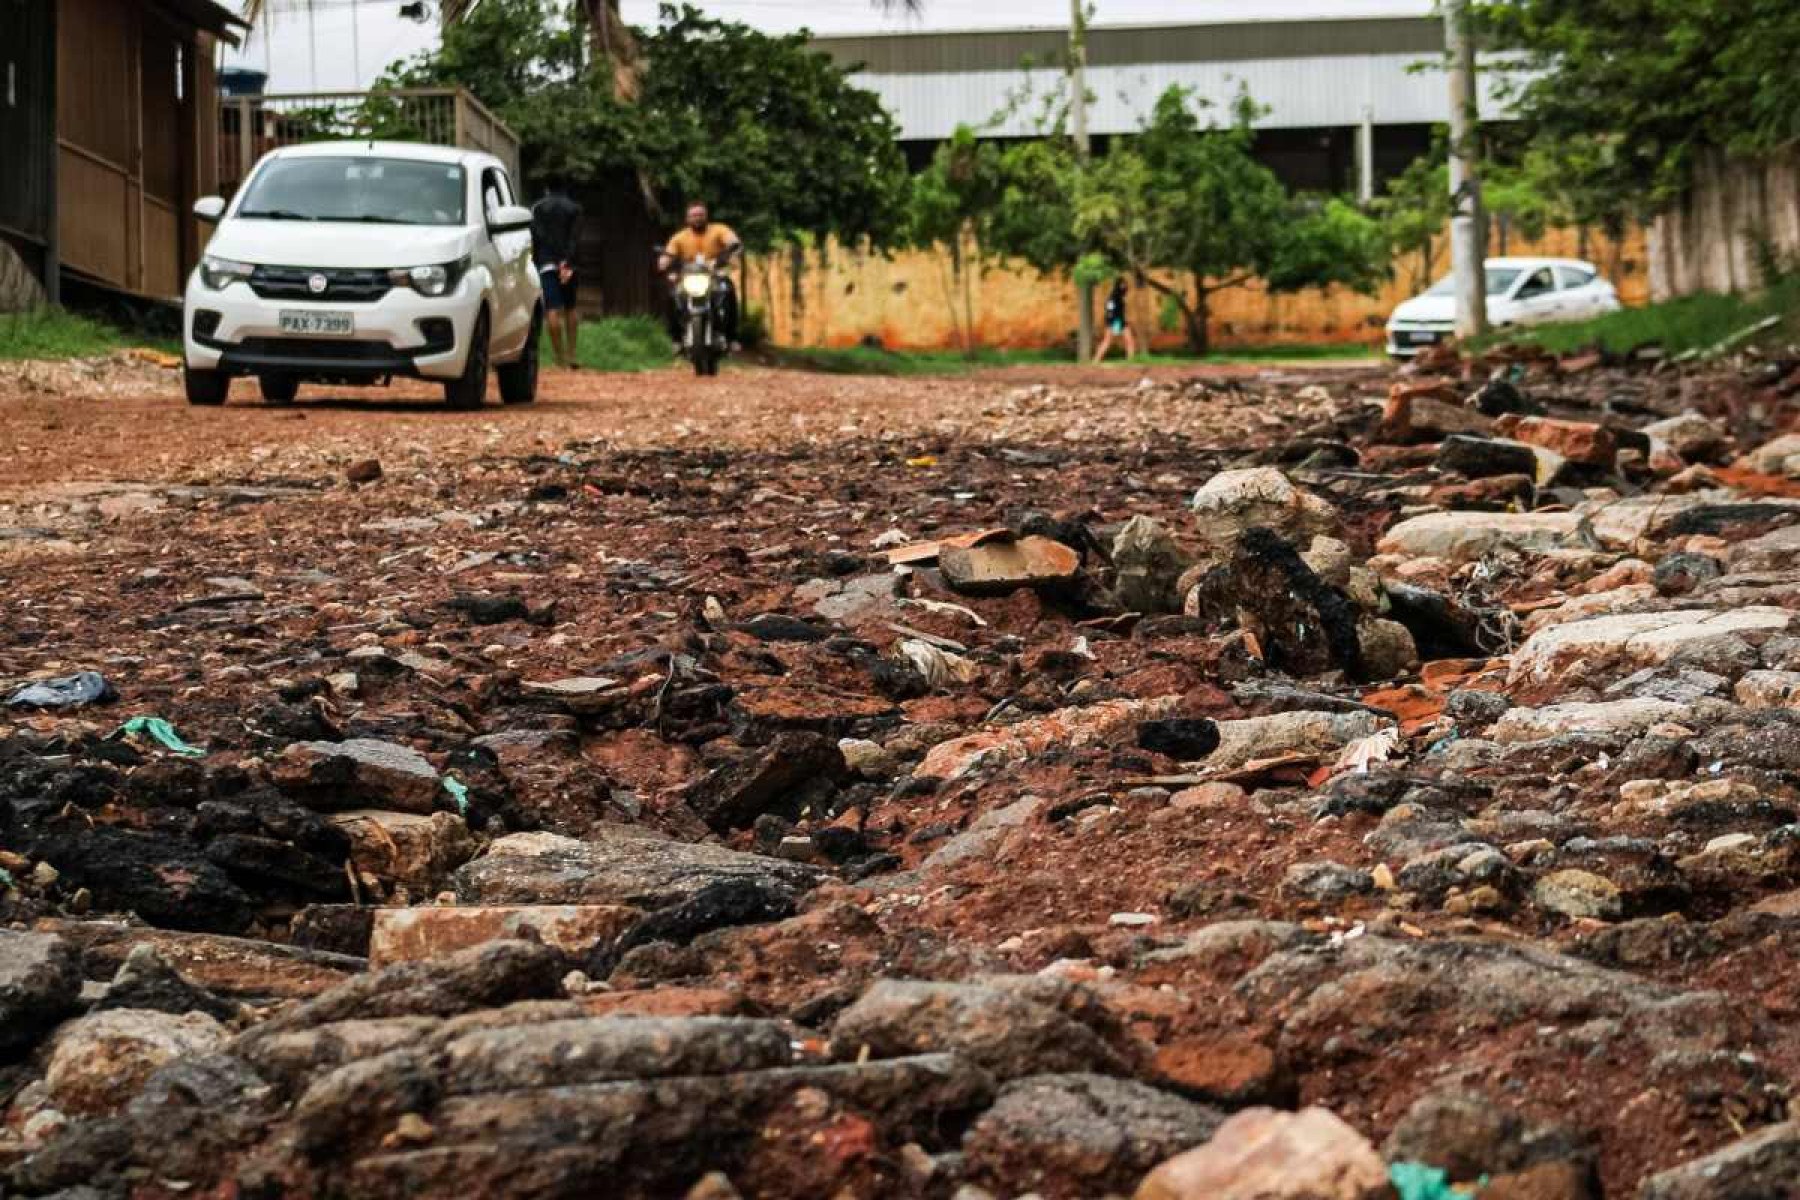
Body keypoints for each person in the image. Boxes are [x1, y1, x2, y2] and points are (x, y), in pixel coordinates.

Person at [658, 200, 742, 350]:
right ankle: (676, 339)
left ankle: (732, 337)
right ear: (687, 218)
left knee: (729, 290)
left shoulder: (719, 230)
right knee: (672, 295)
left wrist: (730, 250)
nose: (697, 218)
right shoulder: (679, 237)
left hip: (715, 275)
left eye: (700, 215)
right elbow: (669, 253)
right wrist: (664, 261)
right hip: (689, 277)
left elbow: (733, 241)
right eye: (693, 215)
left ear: (706, 216)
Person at [530, 182, 584, 369]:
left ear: (547, 189)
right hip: (568, 265)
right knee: (570, 307)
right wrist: (566, 261)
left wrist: (538, 261)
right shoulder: (575, 208)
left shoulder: (538, 209)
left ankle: (559, 358)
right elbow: (575, 239)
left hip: (546, 263)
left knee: (552, 309)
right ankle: (572, 355)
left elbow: (536, 237)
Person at [1093, 277, 1138, 363]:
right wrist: (1112, 323)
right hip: (1115, 322)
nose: (1124, 286)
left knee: (1130, 340)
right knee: (1107, 341)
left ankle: (1130, 361)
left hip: (1121, 321)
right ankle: (1096, 360)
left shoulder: (1120, 296)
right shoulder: (1113, 296)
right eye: (1122, 284)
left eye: (1125, 284)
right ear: (1118, 285)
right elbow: (1109, 310)